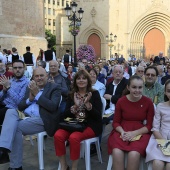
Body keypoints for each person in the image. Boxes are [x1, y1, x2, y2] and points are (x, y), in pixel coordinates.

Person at [0, 67, 61, 169]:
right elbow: (20, 106)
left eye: (41, 75)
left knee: (16, 127)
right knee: (10, 111)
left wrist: (37, 94)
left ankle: (15, 166)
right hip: (26, 117)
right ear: (33, 77)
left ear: (47, 76)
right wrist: (30, 99)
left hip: (42, 119)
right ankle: (3, 148)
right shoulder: (30, 87)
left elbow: (52, 106)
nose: (39, 78)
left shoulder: (54, 88)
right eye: (36, 76)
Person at [54, 69, 102, 170]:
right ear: (75, 81)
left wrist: (88, 106)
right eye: (78, 78)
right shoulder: (72, 94)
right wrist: (75, 106)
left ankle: (74, 168)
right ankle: (64, 165)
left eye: (84, 78)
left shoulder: (94, 94)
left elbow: (98, 116)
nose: (81, 80)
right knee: (58, 135)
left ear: (88, 81)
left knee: (74, 138)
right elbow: (64, 114)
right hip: (73, 124)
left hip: (89, 125)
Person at [108, 75, 154, 170]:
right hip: (122, 131)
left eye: (140, 87)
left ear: (143, 87)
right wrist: (122, 132)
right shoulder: (121, 101)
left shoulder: (148, 102)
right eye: (134, 87)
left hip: (141, 132)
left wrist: (133, 133)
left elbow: (149, 126)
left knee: (134, 154)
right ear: (128, 87)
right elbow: (115, 122)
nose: (137, 90)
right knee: (117, 152)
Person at [145, 79, 170, 170]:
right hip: (161, 140)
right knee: (157, 163)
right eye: (169, 91)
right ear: (165, 93)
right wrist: (164, 144)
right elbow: (155, 128)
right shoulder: (161, 106)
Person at [0, 60, 29, 125]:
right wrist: (4, 91)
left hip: (12, 109)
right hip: (3, 105)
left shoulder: (26, 82)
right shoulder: (11, 80)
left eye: (20, 67)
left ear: (24, 68)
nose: (17, 70)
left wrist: (9, 88)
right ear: (12, 69)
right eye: (15, 68)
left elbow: (19, 102)